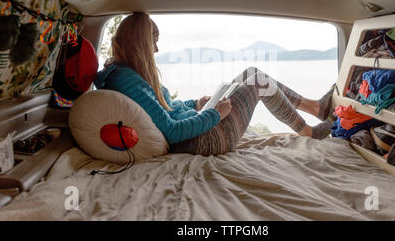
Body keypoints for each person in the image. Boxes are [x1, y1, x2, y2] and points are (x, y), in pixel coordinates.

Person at [94, 12, 335, 156]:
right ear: (139, 43)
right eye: (153, 41)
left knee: (251, 72)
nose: (156, 49)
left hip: (200, 130)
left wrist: (195, 103)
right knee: (258, 81)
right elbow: (171, 130)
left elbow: (164, 109)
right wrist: (214, 115)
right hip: (205, 140)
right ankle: (310, 132)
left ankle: (315, 107)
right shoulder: (126, 80)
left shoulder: (128, 74)